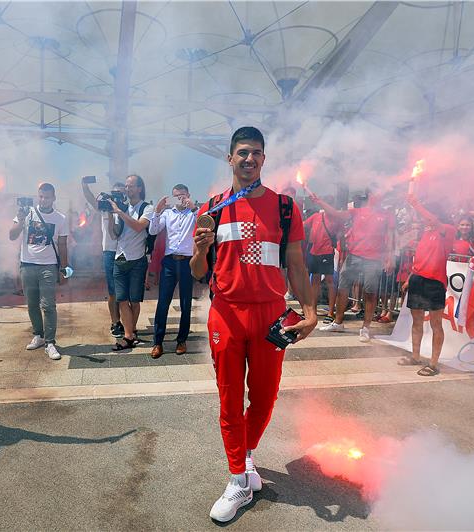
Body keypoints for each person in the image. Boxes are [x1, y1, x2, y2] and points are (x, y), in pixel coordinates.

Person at [190, 127, 316, 522]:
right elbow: (197, 272)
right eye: (242, 153)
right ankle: (237, 480)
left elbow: (295, 264)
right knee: (229, 398)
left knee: (264, 397)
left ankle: (245, 458)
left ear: (264, 159)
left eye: (256, 154)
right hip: (226, 313)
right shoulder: (211, 208)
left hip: (270, 315)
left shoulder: (284, 207)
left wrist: (310, 310)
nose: (249, 160)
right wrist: (200, 250)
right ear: (230, 159)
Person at [312, 190, 395, 342]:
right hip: (354, 256)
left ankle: (365, 328)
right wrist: (319, 201)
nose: (380, 196)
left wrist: (390, 258)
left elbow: (390, 237)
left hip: (374, 259)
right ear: (370, 195)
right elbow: (337, 214)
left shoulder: (387, 215)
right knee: (343, 288)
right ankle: (338, 322)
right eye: (377, 192)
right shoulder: (357, 211)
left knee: (370, 293)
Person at [9, 182, 69, 361]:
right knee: (32, 304)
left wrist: (64, 269)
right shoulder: (27, 213)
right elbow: (12, 235)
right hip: (27, 264)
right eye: (41, 197)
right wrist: (20, 219)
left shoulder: (61, 218)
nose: (44, 200)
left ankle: (50, 342)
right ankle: (39, 335)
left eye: (47, 197)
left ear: (54, 198)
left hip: (49, 266)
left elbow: (63, 244)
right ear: (38, 196)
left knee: (48, 305)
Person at [398, 195, 455, 377]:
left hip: (435, 283)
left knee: (436, 324)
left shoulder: (447, 230)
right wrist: (409, 278)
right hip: (418, 280)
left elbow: (433, 220)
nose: (425, 219)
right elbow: (420, 258)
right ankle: (415, 356)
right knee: (417, 321)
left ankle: (433, 363)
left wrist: (414, 202)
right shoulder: (426, 232)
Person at [148, 184, 197, 359]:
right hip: (169, 261)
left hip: (187, 262)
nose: (180, 199)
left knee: (186, 303)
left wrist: (194, 208)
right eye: (177, 196)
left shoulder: (194, 213)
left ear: (189, 195)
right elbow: (153, 230)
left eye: (183, 196)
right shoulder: (168, 214)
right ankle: (157, 342)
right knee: (163, 303)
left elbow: (205, 224)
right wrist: (157, 211)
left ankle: (181, 340)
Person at [108, 174, 154, 351]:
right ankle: (128, 336)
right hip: (120, 258)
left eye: (131, 186)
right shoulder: (123, 208)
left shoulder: (146, 208)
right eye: (126, 186)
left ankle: (132, 333)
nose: (127, 189)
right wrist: (111, 215)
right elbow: (114, 234)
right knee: (121, 299)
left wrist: (120, 212)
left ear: (140, 188)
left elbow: (138, 226)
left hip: (137, 260)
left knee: (134, 301)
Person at [82, 178, 126, 338]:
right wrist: (84, 185)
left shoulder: (128, 208)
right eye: (115, 194)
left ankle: (127, 323)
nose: (117, 197)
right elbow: (91, 199)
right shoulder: (105, 207)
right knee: (113, 291)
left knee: (125, 292)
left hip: (126, 252)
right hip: (109, 252)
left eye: (121, 194)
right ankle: (115, 322)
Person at [303, 203, 338, 316]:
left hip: (327, 252)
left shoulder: (334, 218)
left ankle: (331, 312)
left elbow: (339, 234)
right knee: (315, 280)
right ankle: (313, 310)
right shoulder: (316, 216)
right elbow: (304, 225)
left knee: (329, 281)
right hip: (314, 252)